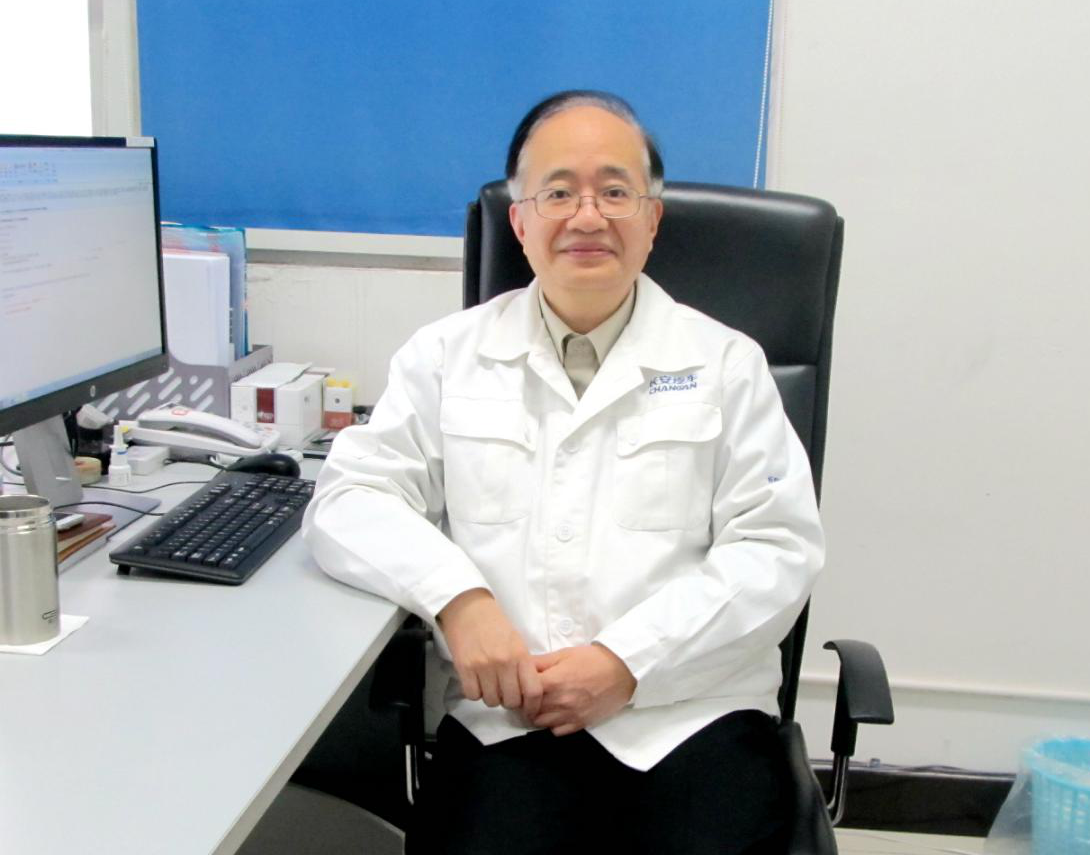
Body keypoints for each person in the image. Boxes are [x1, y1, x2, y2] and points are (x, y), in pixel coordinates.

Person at [302, 90, 824, 854]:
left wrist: (627, 662)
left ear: (652, 219)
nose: (587, 216)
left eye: (615, 192)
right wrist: (459, 601)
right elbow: (349, 498)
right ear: (519, 222)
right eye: (557, 193)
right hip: (510, 721)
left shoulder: (726, 364)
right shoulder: (445, 357)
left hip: (688, 715)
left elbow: (777, 548)